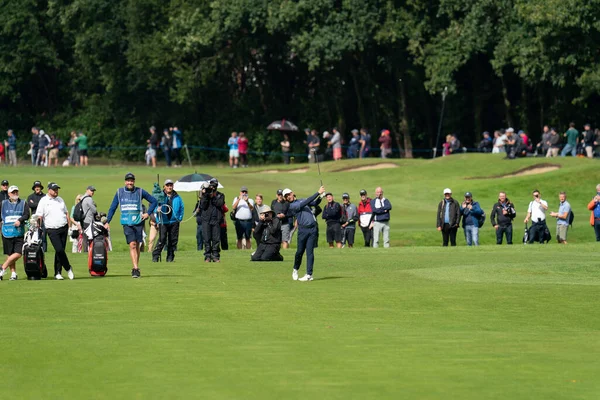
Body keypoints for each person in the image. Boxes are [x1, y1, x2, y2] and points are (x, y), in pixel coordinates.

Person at [106, 173, 158, 278]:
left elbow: (154, 201)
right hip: (127, 223)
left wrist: (148, 213)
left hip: (138, 222)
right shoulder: (119, 192)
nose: (130, 182)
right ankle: (135, 269)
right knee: (132, 244)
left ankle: (136, 266)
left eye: (132, 181)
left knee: (137, 245)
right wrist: (108, 221)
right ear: (125, 182)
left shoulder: (140, 191)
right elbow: (113, 207)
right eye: (128, 181)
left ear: (134, 181)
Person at [284, 185, 326, 281]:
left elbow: (314, 203)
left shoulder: (302, 200)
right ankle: (295, 269)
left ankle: (309, 274)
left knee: (310, 252)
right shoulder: (292, 206)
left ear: (292, 193)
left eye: (289, 194)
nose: (288, 196)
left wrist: (321, 197)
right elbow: (306, 202)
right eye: (286, 196)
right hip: (303, 230)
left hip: (312, 229)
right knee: (299, 252)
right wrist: (318, 192)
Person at [34, 182, 74, 280]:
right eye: (54, 189)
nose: (56, 191)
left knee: (60, 251)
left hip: (63, 227)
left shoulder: (60, 200)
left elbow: (66, 213)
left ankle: (58, 272)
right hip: (51, 229)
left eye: (57, 189)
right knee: (59, 249)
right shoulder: (44, 200)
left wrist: (69, 227)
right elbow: (40, 216)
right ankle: (68, 268)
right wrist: (38, 228)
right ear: (49, 190)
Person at [0, 186, 30, 281]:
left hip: (19, 232)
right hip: (7, 232)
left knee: (18, 253)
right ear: (9, 194)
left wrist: (20, 220)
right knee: (10, 254)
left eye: (16, 192)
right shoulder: (3, 204)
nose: (15, 194)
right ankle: (13, 273)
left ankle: (2, 267)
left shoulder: (23, 203)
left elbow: (27, 215)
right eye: (13, 192)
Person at [152, 179, 184, 262]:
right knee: (162, 239)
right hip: (163, 220)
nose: (169, 187)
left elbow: (181, 208)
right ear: (164, 187)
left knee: (173, 240)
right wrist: (157, 209)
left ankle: (170, 257)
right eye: (167, 185)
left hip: (174, 221)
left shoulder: (177, 197)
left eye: (171, 185)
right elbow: (154, 205)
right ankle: (155, 255)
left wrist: (179, 218)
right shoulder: (160, 196)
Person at [200, 178, 225, 262]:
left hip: (216, 220)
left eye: (214, 186)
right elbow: (203, 206)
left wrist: (213, 197)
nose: (213, 187)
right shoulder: (205, 195)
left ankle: (215, 256)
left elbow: (220, 203)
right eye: (211, 185)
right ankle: (207, 256)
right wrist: (206, 196)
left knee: (216, 239)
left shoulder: (220, 195)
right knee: (206, 239)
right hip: (206, 219)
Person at [80, 186, 98, 252]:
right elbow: (94, 210)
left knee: (85, 237)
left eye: (93, 191)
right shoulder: (89, 199)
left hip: (84, 220)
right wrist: (95, 206)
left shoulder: (82, 198)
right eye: (91, 191)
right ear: (87, 190)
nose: (92, 192)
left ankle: (85, 250)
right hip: (89, 220)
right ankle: (91, 251)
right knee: (91, 237)